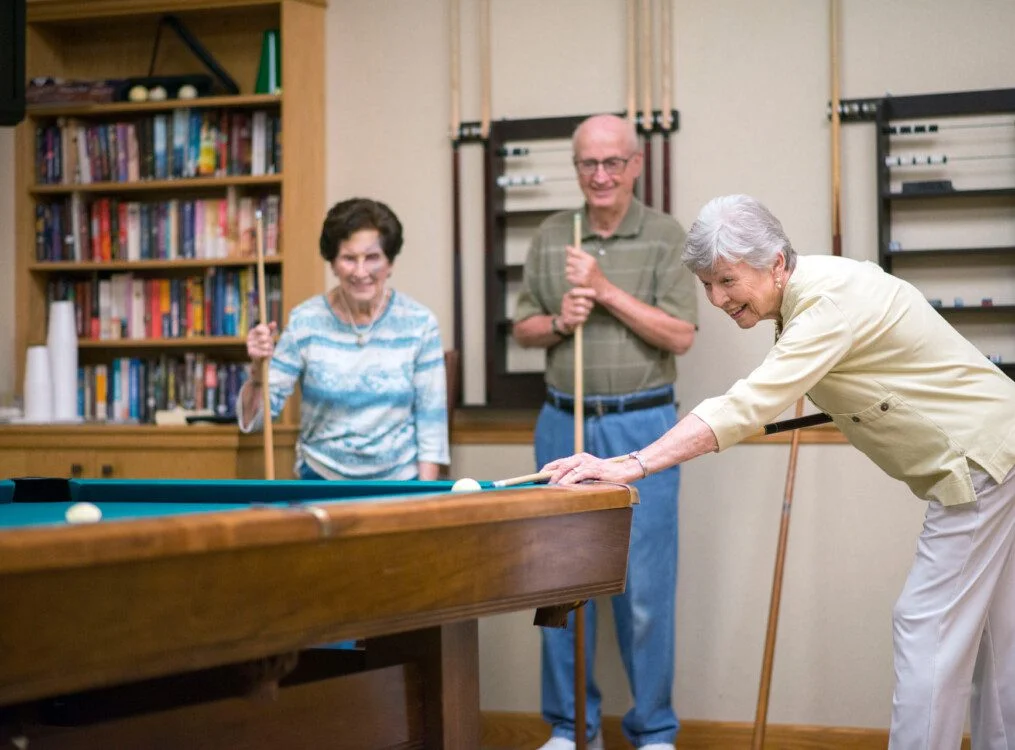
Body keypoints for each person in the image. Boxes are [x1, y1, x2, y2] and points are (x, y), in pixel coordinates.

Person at [547, 193, 1015, 750]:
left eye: (726, 281)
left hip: (983, 461)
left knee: (925, 625)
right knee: (993, 638)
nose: (718, 299)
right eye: (706, 286)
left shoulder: (827, 303)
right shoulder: (807, 295)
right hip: (997, 448)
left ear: (775, 262)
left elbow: (747, 403)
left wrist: (631, 464)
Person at [513, 113, 699, 750]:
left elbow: (681, 335)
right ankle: (570, 729)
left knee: (645, 591)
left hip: (643, 426)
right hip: (562, 421)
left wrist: (604, 290)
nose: (599, 175)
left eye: (612, 163)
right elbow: (523, 328)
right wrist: (560, 320)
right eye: (587, 164)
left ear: (635, 166)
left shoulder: (668, 236)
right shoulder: (550, 236)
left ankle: (653, 732)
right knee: (558, 582)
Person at [237, 197, 449, 481]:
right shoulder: (305, 321)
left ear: (390, 263)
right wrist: (257, 370)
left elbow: (431, 423)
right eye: (349, 258)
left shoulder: (420, 324)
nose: (361, 272)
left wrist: (425, 499)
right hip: (321, 477)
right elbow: (256, 420)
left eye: (372, 257)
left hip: (399, 482)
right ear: (333, 264)